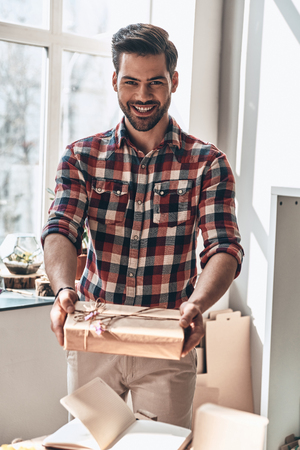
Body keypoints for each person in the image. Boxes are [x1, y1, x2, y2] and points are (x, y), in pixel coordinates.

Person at [42, 23, 243, 429]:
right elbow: (62, 229)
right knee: (86, 443)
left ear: (174, 82)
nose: (143, 95)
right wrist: (65, 288)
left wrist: (198, 305)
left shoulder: (207, 163)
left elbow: (224, 248)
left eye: (155, 83)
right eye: (131, 82)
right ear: (115, 81)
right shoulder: (82, 157)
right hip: (96, 336)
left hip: (168, 338)